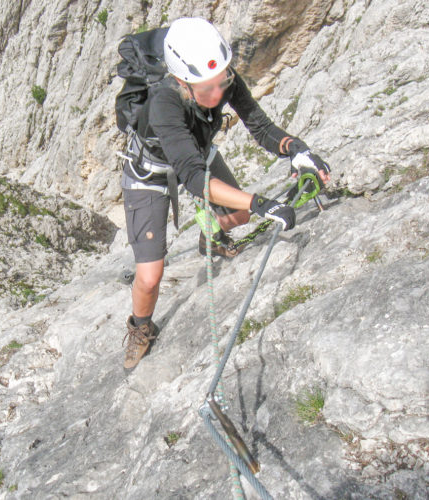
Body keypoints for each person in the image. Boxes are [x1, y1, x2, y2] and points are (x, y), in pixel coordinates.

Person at [120, 17, 331, 371]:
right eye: (206, 90)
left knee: (242, 214)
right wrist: (261, 202)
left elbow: (259, 125)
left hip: (196, 156)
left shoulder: (219, 80)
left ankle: (211, 235)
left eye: (222, 83)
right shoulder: (164, 102)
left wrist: (297, 149)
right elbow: (191, 177)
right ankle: (141, 328)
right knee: (150, 276)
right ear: (182, 82)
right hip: (150, 175)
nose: (217, 95)